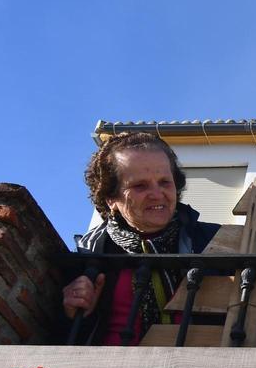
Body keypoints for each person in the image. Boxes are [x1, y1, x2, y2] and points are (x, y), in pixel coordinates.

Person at [63, 132, 221, 345]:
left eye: (165, 182)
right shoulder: (88, 255)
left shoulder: (213, 241)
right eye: (140, 186)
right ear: (111, 199)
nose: (157, 194)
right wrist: (77, 315)